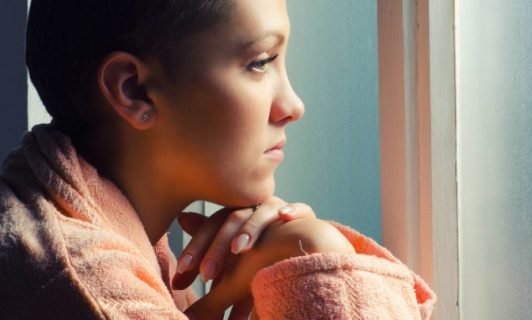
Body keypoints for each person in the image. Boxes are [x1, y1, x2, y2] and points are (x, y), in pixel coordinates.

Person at [0, 0, 436, 319]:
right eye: (260, 62)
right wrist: (322, 257)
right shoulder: (80, 283)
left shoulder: (61, 218)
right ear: (133, 90)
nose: (293, 104)